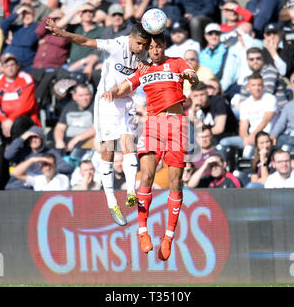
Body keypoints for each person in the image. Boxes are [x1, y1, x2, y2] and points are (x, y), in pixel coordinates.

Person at [101, 32, 199, 261]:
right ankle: (143, 231)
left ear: (164, 46)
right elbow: (126, 85)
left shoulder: (176, 62)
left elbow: (192, 76)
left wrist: (191, 77)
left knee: (175, 181)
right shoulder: (143, 68)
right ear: (147, 49)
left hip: (177, 124)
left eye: (158, 46)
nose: (155, 50)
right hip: (153, 124)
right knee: (146, 176)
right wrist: (111, 92)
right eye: (151, 47)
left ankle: (168, 237)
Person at [46, 20, 151, 226]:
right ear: (130, 38)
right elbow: (85, 41)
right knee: (108, 150)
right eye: (139, 44)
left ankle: (131, 191)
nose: (141, 49)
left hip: (126, 101)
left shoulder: (144, 52)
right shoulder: (116, 45)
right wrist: (63, 33)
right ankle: (111, 201)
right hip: (106, 101)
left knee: (129, 143)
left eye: (145, 45)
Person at [0, 53, 41, 141]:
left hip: (25, 117)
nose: (10, 68)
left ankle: (17, 150)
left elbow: (26, 105)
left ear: (17, 66)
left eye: (12, 65)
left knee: (18, 123)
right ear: (2, 68)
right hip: (4, 118)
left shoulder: (26, 79)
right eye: (7, 66)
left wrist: (11, 119)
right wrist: (4, 120)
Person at [4, 125, 73, 190]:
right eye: (30, 138)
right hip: (15, 186)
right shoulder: (23, 151)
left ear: (42, 139)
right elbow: (7, 155)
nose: (33, 140)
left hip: (32, 188)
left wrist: (47, 170)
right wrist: (22, 138)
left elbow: (67, 168)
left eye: (36, 137)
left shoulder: (50, 153)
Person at [237, 73, 278, 158]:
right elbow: (243, 126)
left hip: (268, 136)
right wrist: (245, 138)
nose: (257, 88)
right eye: (253, 85)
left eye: (259, 85)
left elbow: (266, 120)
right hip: (252, 138)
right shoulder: (245, 104)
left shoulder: (270, 99)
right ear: (248, 87)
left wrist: (254, 136)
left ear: (263, 86)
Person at [53, 83, 95, 154]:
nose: (84, 98)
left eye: (87, 95)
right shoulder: (69, 107)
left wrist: (76, 139)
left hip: (86, 141)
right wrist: (59, 141)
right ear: (74, 96)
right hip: (67, 141)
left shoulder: (95, 107)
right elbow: (60, 127)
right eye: (81, 95)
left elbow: (96, 129)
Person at [0, 3, 39, 70]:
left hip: (24, 65)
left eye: (28, 13)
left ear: (34, 14)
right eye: (24, 14)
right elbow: (3, 25)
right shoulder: (17, 28)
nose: (26, 16)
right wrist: (17, 13)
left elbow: (29, 41)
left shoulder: (37, 27)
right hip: (7, 63)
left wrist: (12, 42)